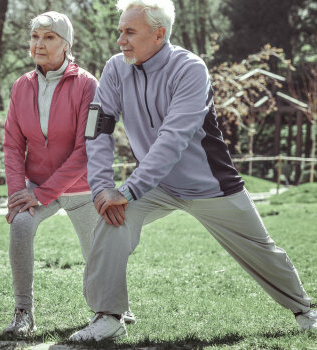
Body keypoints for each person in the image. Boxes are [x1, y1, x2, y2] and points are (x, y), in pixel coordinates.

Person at [69, 0, 316, 342]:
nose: (120, 40)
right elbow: (98, 129)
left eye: (129, 32)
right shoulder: (115, 68)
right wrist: (102, 189)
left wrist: (127, 190)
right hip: (155, 186)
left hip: (211, 185)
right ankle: (109, 316)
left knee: (263, 250)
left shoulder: (190, 68)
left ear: (159, 34)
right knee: (112, 220)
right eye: (119, 31)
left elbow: (173, 139)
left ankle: (304, 310)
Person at [1, 11, 135, 338]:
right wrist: (19, 194)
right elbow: (12, 145)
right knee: (20, 225)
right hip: (35, 186)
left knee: (99, 253)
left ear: (66, 43)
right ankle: (23, 313)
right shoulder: (21, 86)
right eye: (35, 37)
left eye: (49, 37)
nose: (39, 44)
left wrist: (42, 193)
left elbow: (86, 149)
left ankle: (119, 307)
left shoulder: (88, 85)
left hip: (83, 188)